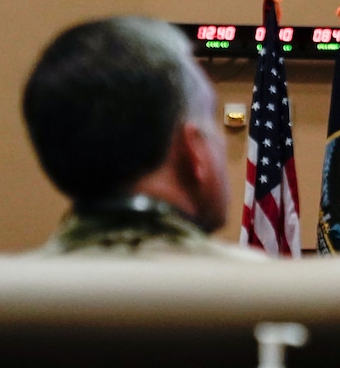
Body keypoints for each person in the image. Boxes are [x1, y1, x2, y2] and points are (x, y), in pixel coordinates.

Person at [21, 15, 262, 260]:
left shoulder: (8, 281)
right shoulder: (266, 282)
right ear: (193, 149)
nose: (220, 143)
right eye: (210, 121)